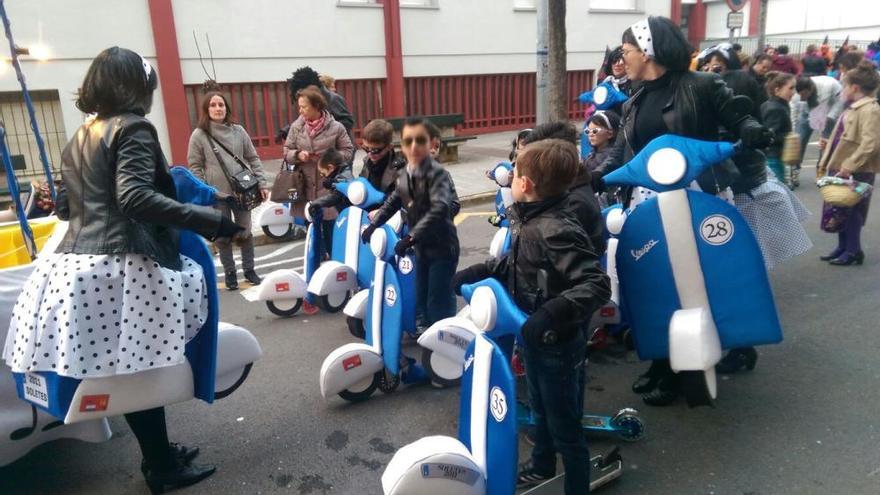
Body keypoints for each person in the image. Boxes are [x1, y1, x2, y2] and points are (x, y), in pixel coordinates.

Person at [2, 47, 241, 493]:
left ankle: (160, 456)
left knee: (128, 371)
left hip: (73, 265)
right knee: (141, 371)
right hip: (123, 264)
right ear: (134, 86)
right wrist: (208, 219)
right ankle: (161, 468)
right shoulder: (133, 127)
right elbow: (133, 198)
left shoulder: (80, 134)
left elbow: (70, 205)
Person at [601, 16, 782, 405]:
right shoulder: (634, 95)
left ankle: (731, 343)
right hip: (649, 202)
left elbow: (740, 115)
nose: (623, 57)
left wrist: (750, 128)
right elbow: (624, 152)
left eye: (627, 50)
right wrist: (594, 176)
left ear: (648, 50)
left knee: (710, 276)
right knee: (656, 279)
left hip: (700, 196)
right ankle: (665, 358)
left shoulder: (702, 85)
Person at [453, 139, 610, 495]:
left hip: (556, 341)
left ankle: (576, 485)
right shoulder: (532, 218)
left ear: (525, 184)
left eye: (515, 172)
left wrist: (552, 313)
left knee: (564, 425)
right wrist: (480, 270)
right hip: (535, 337)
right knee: (540, 408)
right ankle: (542, 466)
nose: (510, 178)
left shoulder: (554, 227)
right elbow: (519, 264)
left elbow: (596, 284)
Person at [361, 117, 460, 328]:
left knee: (438, 298)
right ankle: (426, 330)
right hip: (421, 247)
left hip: (442, 247)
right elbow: (393, 201)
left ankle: (446, 335)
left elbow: (443, 210)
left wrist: (410, 237)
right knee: (421, 294)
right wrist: (374, 225)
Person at [187, 91, 269, 290]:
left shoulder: (238, 131)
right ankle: (230, 273)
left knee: (245, 232)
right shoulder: (199, 134)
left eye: (221, 105)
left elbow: (253, 157)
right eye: (213, 105)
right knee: (222, 236)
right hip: (217, 195)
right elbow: (194, 165)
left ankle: (250, 270)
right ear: (207, 110)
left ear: (227, 108)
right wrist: (205, 189)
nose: (217, 109)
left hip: (244, 191)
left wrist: (262, 182)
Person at [816, 61, 880, 265]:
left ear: (854, 87)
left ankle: (853, 250)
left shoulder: (870, 109)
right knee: (840, 207)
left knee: (852, 210)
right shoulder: (852, 108)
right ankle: (843, 247)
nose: (842, 90)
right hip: (841, 166)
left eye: (844, 86)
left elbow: (871, 143)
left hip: (856, 168)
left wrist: (849, 165)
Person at [287, 66, 355, 163]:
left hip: (334, 159)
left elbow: (348, 122)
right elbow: (288, 150)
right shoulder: (297, 125)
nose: (300, 110)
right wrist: (298, 154)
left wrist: (326, 129)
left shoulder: (333, 99)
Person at [792, 74, 844, 182]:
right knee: (799, 140)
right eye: (800, 95)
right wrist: (793, 129)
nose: (802, 97)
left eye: (804, 94)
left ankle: (821, 170)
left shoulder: (827, 86)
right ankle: (794, 170)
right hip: (808, 113)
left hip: (829, 111)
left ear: (810, 89)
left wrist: (830, 117)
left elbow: (838, 102)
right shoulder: (798, 93)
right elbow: (795, 110)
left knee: (824, 143)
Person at [306, 149, 354, 256]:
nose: (323, 177)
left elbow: (336, 196)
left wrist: (318, 203)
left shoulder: (343, 177)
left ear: (331, 168)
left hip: (351, 219)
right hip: (346, 216)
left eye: (323, 173)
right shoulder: (342, 174)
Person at [761, 72, 797, 188]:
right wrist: (788, 136)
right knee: (777, 190)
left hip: (774, 156)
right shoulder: (776, 109)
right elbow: (769, 135)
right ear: (777, 90)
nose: (793, 92)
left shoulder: (773, 104)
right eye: (790, 88)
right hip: (772, 157)